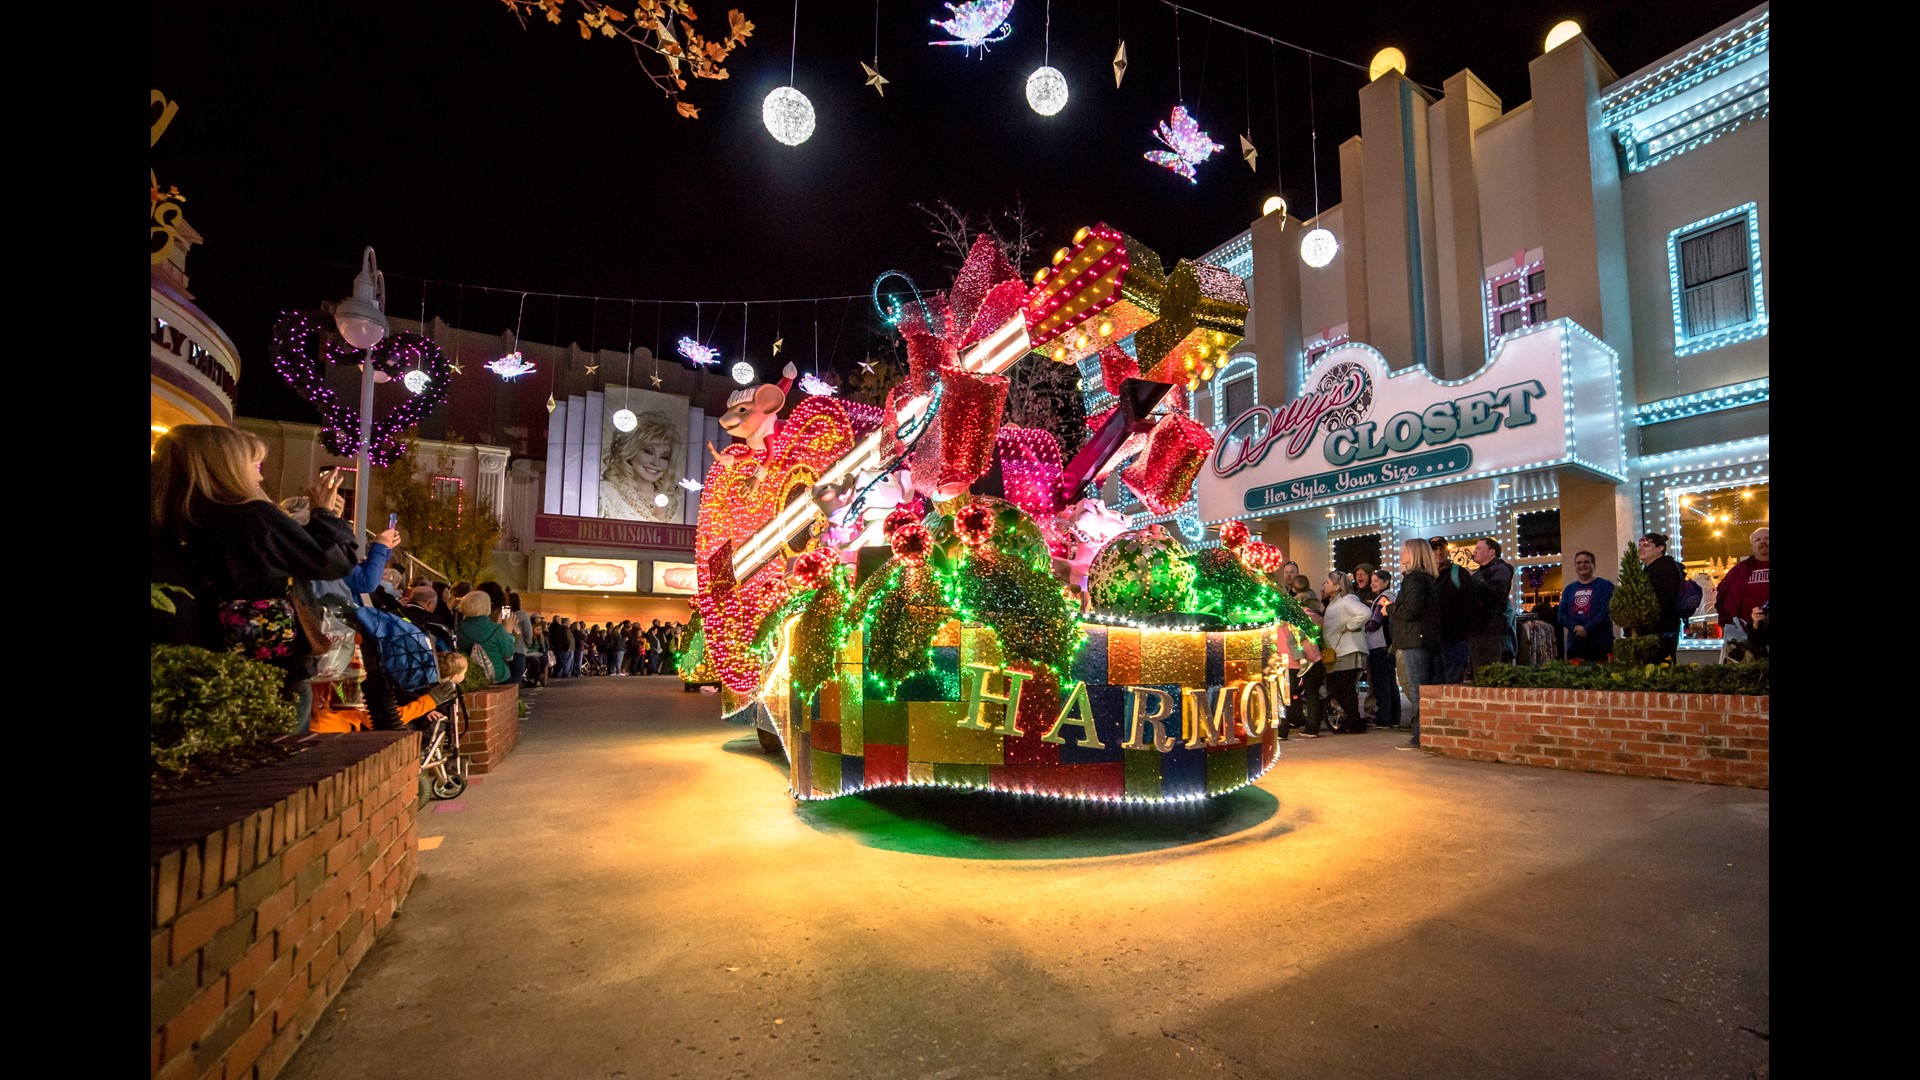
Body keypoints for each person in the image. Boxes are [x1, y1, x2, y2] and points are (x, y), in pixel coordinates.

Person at [151, 425, 361, 716]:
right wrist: (324, 514)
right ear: (228, 468)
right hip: (273, 664)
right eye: (254, 464)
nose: (260, 475)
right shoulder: (252, 518)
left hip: (209, 664)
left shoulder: (178, 519)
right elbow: (331, 561)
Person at [1388, 539, 1442, 750]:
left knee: (1418, 689)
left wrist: (1390, 609)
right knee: (1422, 689)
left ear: (1414, 554)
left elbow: (1411, 610)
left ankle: (1420, 737)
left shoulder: (1414, 579)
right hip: (1420, 639)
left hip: (1414, 641)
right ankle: (1424, 735)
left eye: (1405, 550)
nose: (1401, 552)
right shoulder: (1425, 579)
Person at [600, 410, 684, 521]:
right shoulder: (606, 493)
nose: (656, 463)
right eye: (649, 452)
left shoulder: (676, 500)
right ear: (631, 452)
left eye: (664, 457)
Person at [1319, 572, 1373, 733]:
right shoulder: (1334, 602)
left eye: (1328, 582)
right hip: (1340, 650)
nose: (1324, 585)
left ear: (1337, 586)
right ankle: (1353, 720)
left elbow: (1365, 612)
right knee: (1340, 687)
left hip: (1349, 649)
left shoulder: (1347, 599)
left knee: (1343, 687)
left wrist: (1350, 626)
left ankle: (1354, 721)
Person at [1467, 538, 1514, 678]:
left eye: (1479, 548)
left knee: (1489, 673)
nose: (1475, 552)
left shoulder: (1500, 570)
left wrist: (1474, 579)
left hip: (1489, 630)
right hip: (1479, 629)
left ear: (1492, 552)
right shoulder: (1483, 572)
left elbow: (1495, 594)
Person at [1429, 537, 1475, 683]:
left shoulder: (1459, 573)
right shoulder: (1425, 577)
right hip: (1433, 642)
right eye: (1434, 549)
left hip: (1454, 640)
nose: (1438, 552)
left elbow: (1470, 602)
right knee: (1434, 689)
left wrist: (1464, 630)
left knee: (1453, 686)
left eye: (1441, 548)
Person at [1557, 551, 1615, 664]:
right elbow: (1561, 614)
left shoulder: (1605, 586)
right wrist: (1575, 627)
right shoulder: (1569, 589)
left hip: (1601, 644)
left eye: (1586, 562)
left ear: (1593, 565)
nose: (1582, 565)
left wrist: (1587, 629)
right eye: (1578, 563)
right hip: (1575, 645)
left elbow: (1605, 611)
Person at [1637, 532, 1684, 665]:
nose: (1641, 548)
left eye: (1646, 545)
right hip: (1656, 630)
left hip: (1662, 630)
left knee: (1659, 668)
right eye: (1640, 545)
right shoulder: (1649, 570)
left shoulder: (1665, 569)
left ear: (1660, 548)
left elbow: (1663, 602)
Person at [1364, 569, 1401, 732]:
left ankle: (1384, 718)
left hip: (1379, 645)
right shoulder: (1393, 596)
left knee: (1381, 684)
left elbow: (1375, 623)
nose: (1372, 583)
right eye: (1372, 580)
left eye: (1376, 581)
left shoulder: (1384, 598)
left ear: (1386, 582)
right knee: (1390, 682)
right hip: (1388, 645)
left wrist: (1360, 625)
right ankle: (1394, 718)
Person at [1715, 527, 1770, 635]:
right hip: (1747, 633)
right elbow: (1721, 595)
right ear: (1752, 546)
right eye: (1757, 540)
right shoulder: (1740, 570)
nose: (1763, 542)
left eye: (1767, 538)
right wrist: (1728, 619)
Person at [455, 590, 516, 685]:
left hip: (468, 677)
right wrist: (508, 632)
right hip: (498, 676)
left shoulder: (457, 628)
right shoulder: (496, 628)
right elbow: (508, 653)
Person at [507, 591, 534, 685]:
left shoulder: (504, 614)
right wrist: (527, 644)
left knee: (507, 675)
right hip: (519, 648)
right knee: (517, 674)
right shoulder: (522, 615)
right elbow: (528, 632)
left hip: (505, 647)